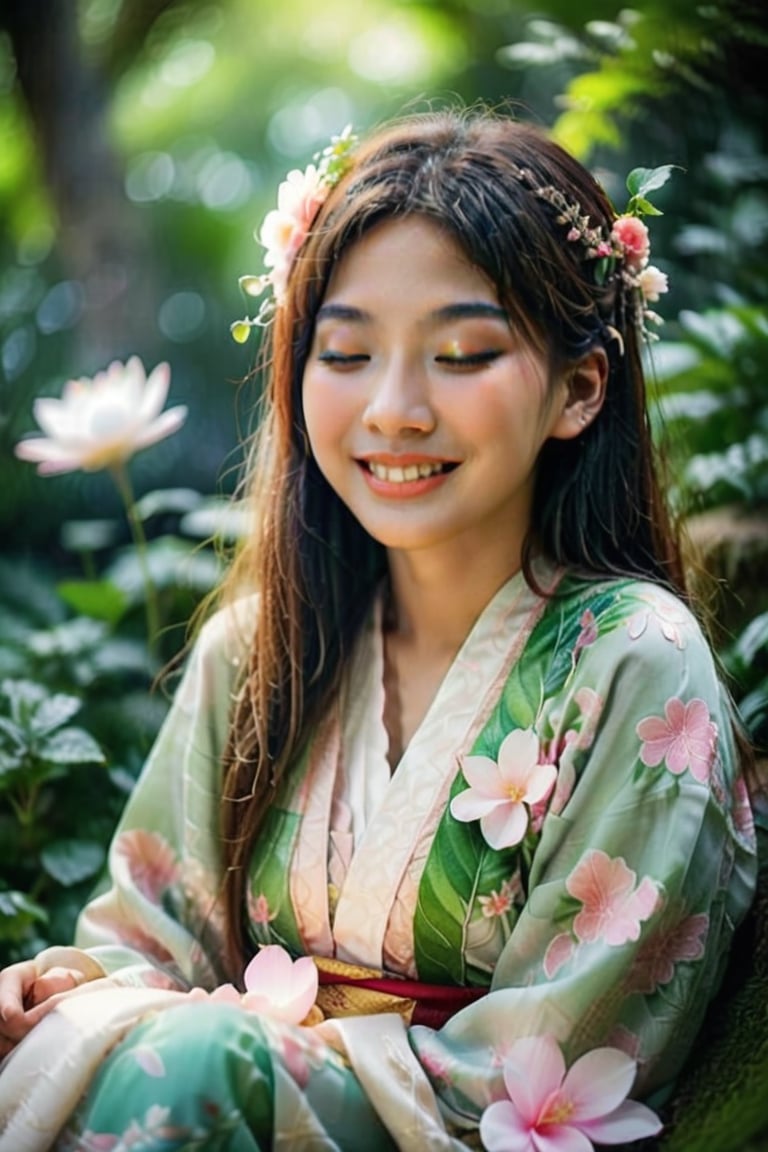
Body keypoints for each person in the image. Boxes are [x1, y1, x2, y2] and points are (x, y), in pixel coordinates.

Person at [0, 107, 759, 1152]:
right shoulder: (256, 652)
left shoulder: (637, 661)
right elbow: (149, 942)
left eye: (461, 353)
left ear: (580, 388)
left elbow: (560, 1056)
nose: (395, 409)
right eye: (347, 353)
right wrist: (69, 990)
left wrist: (238, 1056)